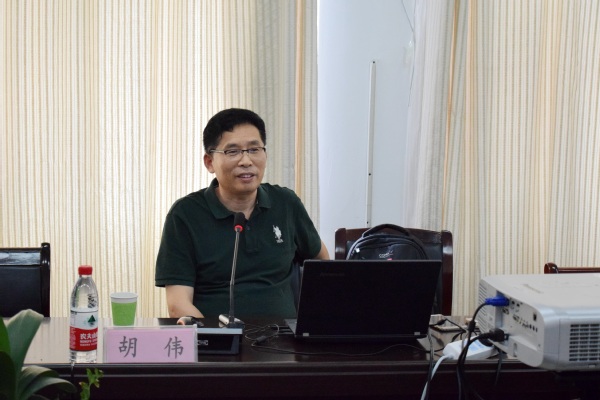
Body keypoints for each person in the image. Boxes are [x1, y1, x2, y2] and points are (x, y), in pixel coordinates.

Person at [155, 108, 329, 319]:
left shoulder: (285, 203)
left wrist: (312, 322)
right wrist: (216, 336)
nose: (246, 161)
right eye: (233, 151)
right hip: (219, 337)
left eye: (254, 149)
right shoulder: (185, 215)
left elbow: (321, 260)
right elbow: (178, 305)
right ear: (209, 162)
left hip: (283, 336)